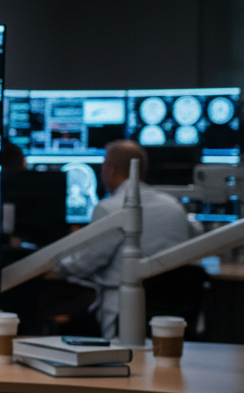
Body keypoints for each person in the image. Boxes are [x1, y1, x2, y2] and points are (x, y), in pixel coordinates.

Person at [57, 140, 197, 339]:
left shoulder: (110, 209)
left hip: (124, 315)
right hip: (173, 319)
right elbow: (196, 239)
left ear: (111, 169)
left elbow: (80, 265)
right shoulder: (174, 206)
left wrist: (55, 261)